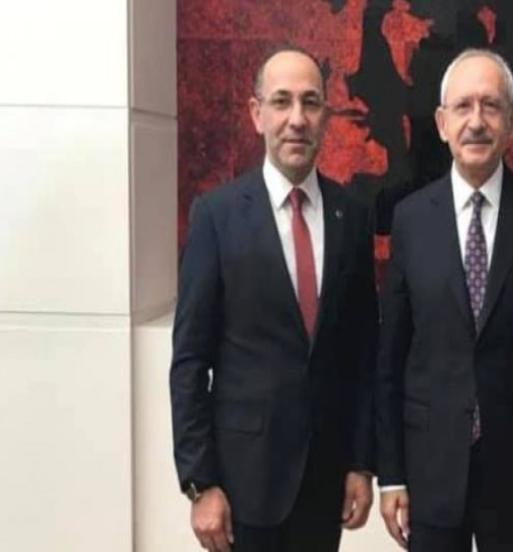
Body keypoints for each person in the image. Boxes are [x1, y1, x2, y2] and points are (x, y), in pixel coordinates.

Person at [376, 48, 513, 552]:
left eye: (491, 106)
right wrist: (391, 475)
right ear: (441, 123)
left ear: (512, 121)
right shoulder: (410, 219)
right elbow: (390, 359)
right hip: (429, 471)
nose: (476, 121)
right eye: (463, 107)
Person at [170, 46, 377, 552]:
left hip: (325, 482)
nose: (297, 119)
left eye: (311, 102)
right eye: (281, 101)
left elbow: (364, 353)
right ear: (256, 113)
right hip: (242, 485)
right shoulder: (216, 216)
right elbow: (191, 361)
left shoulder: (352, 216)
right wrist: (200, 483)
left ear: (326, 115)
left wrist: (361, 462)